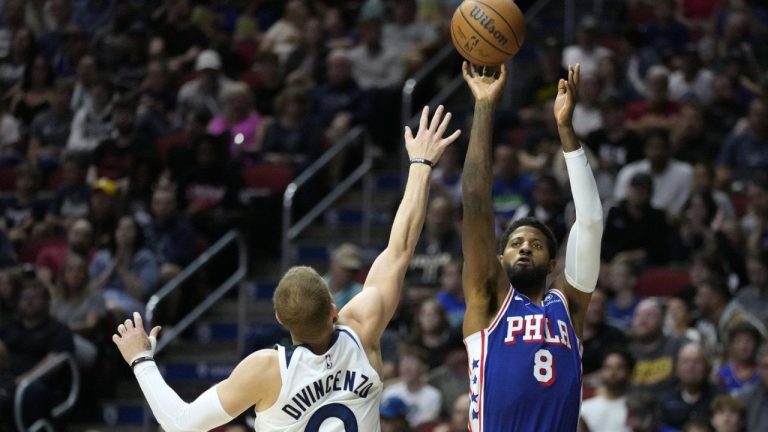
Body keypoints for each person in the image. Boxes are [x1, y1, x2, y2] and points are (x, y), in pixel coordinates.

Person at [111, 105, 461, 431]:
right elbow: (400, 248)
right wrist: (420, 164)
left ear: (279, 319)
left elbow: (180, 423)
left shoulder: (266, 370)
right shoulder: (362, 328)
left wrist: (141, 359)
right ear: (334, 308)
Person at [460, 62, 603, 431]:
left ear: (553, 262)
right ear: (498, 257)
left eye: (536, 244)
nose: (524, 248)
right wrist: (484, 106)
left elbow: (589, 223)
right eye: (516, 243)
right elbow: (476, 200)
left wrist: (566, 131)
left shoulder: (567, 307)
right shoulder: (487, 299)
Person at [580, 348, 635, 432]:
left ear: (629, 372)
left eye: (619, 368)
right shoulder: (584, 409)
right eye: (608, 367)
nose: (613, 373)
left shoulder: (638, 408)